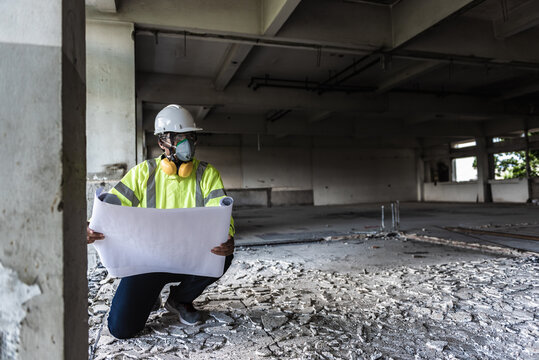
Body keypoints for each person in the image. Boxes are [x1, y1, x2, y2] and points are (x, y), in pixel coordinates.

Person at [87, 104, 235, 339]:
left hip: (189, 257)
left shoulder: (207, 174)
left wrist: (227, 237)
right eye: (178, 138)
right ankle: (150, 293)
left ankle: (180, 299)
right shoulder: (143, 173)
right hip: (147, 262)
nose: (186, 144)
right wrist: (91, 226)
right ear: (162, 142)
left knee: (224, 255)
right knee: (121, 329)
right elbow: (110, 207)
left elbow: (222, 216)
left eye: (190, 137)